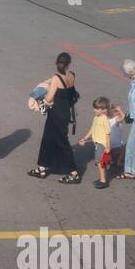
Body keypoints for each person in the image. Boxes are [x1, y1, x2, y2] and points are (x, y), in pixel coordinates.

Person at [28, 52, 81, 182]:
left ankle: (74, 173)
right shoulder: (71, 76)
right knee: (47, 139)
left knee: (62, 142)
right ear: (68, 64)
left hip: (56, 114)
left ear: (56, 64)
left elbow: (49, 98)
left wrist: (39, 99)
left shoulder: (57, 78)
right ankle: (42, 167)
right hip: (64, 112)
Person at [78, 97, 118, 188]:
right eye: (94, 108)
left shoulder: (104, 119)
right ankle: (102, 178)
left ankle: (103, 180)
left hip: (102, 144)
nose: (94, 110)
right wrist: (85, 138)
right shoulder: (96, 117)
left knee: (100, 163)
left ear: (104, 110)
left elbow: (108, 134)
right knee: (100, 162)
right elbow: (92, 129)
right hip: (97, 144)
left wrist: (108, 147)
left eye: (97, 109)